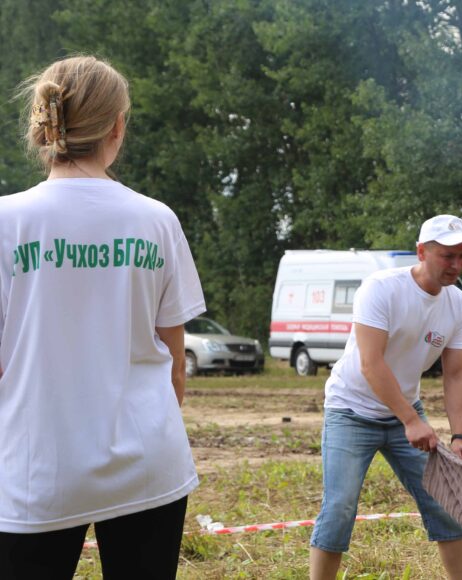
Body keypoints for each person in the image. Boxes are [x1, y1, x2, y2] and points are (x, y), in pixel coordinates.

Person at [0, 55, 205, 578]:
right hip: (148, 466)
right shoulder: (157, 220)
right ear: (117, 126)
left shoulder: (6, 222)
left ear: (45, 124)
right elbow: (175, 368)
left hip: (35, 471)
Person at [309, 215, 462, 580]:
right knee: (339, 507)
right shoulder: (381, 288)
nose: (456, 265)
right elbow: (371, 364)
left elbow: (455, 373)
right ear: (422, 252)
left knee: (446, 502)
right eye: (447, 256)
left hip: (405, 411)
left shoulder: (456, 302)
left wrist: (459, 436)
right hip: (351, 410)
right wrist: (411, 420)